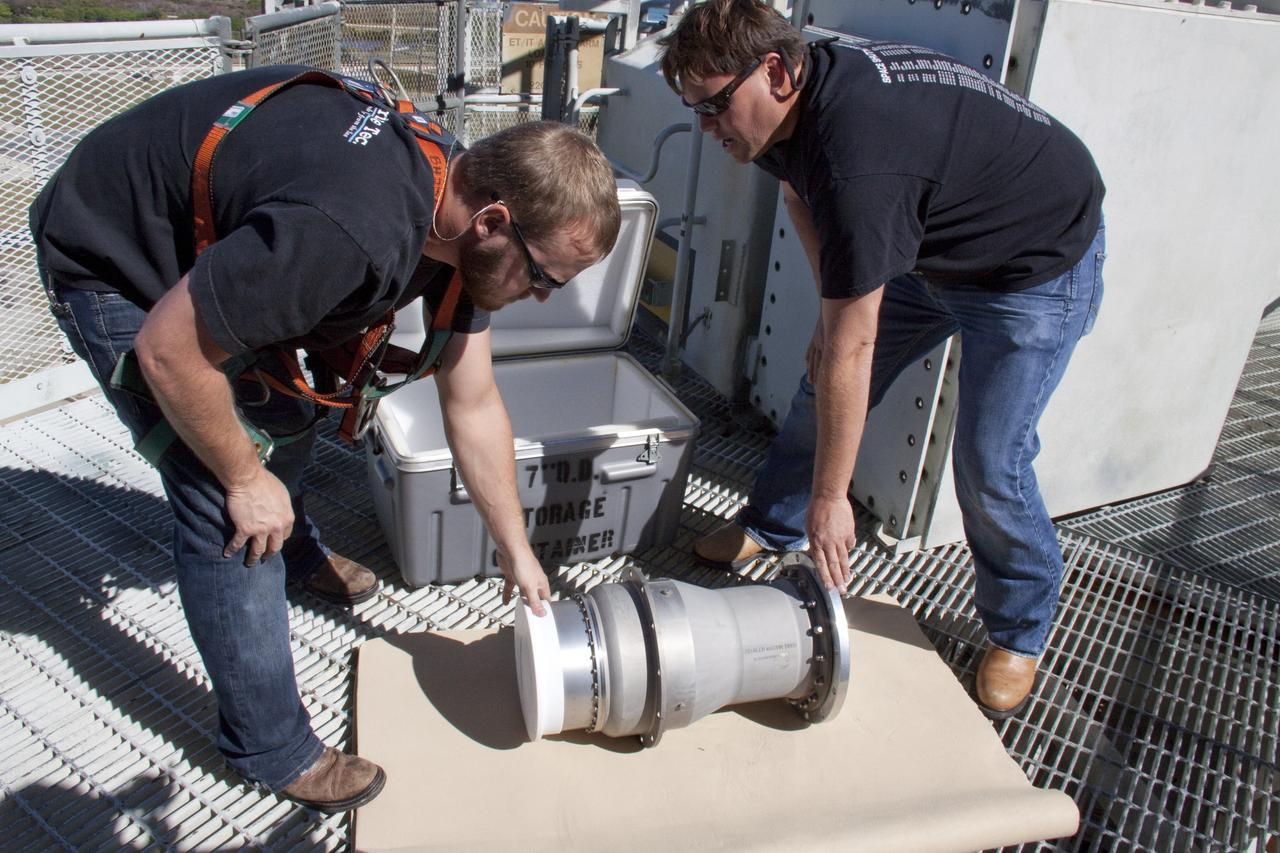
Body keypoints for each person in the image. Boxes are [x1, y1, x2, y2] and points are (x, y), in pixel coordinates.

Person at [29, 64, 621, 811]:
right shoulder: (353, 230)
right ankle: (271, 747)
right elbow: (169, 351)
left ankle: (299, 544)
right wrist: (246, 480)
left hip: (222, 243)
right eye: (542, 277)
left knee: (285, 416)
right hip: (117, 256)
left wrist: (516, 547)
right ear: (494, 222)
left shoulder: (456, 210)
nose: (540, 296)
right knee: (226, 506)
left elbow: (471, 403)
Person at [659, 0, 1105, 720]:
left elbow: (855, 344)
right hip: (932, 243)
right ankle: (772, 523)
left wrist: (834, 502)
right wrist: (831, 301)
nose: (706, 129)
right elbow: (799, 191)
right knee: (822, 375)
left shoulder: (859, 157)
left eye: (712, 108)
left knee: (992, 462)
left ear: (773, 71)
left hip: (1032, 263)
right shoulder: (782, 109)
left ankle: (1019, 630)